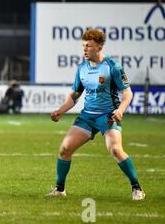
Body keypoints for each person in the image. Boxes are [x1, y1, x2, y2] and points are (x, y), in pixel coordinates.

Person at [47, 29, 145, 200]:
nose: (85, 49)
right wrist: (60, 111)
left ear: (99, 47)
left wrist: (120, 110)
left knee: (115, 149)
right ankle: (59, 190)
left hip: (107, 116)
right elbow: (74, 95)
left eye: (89, 46)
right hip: (87, 117)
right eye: (83, 46)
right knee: (65, 149)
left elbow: (128, 93)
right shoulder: (82, 68)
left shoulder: (113, 67)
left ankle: (137, 188)